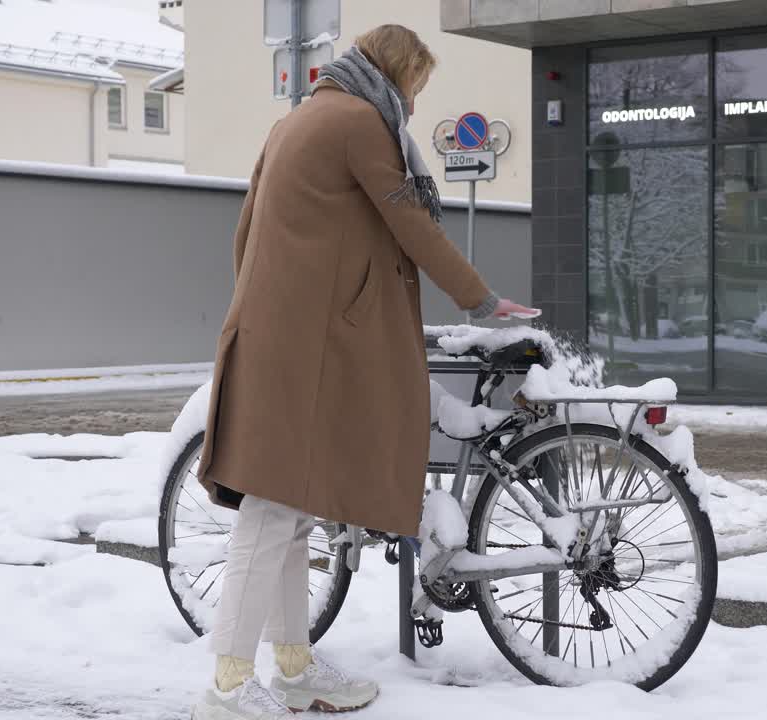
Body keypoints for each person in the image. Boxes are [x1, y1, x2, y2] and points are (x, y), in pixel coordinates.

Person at [191, 24, 537, 720]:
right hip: (302, 347)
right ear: (398, 72)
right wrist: (481, 298)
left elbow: (246, 231)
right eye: (418, 85)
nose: (415, 101)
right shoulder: (357, 122)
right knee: (270, 513)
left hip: (284, 337)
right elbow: (411, 224)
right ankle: (228, 688)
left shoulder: (302, 118)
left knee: (289, 510)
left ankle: (292, 669)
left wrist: (280, 309)